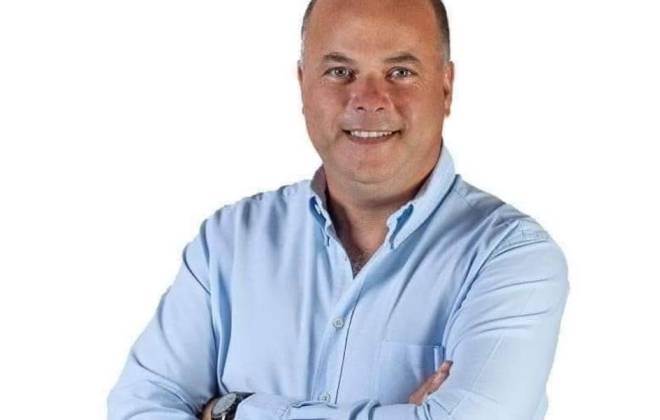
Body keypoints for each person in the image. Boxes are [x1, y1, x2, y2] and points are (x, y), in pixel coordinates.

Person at [107, 0, 570, 419]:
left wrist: (234, 410)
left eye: (400, 72)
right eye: (340, 71)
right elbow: (137, 408)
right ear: (302, 85)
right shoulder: (228, 242)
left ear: (446, 88)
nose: (368, 100)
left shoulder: (512, 257)